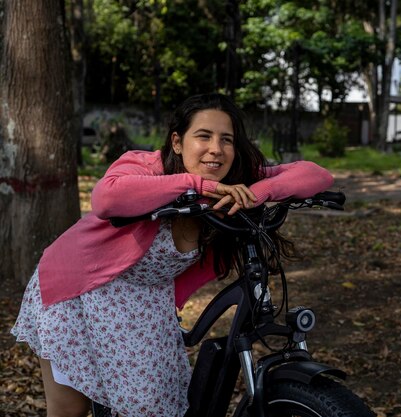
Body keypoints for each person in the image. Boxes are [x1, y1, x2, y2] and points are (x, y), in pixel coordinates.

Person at [11, 93, 334, 417]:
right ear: (178, 142)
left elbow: (317, 174)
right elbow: (106, 198)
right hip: (78, 290)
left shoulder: (235, 181)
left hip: (144, 301)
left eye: (227, 140)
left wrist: (257, 194)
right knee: (71, 409)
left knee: (156, 407)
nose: (216, 149)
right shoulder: (147, 167)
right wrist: (196, 185)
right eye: (203, 136)